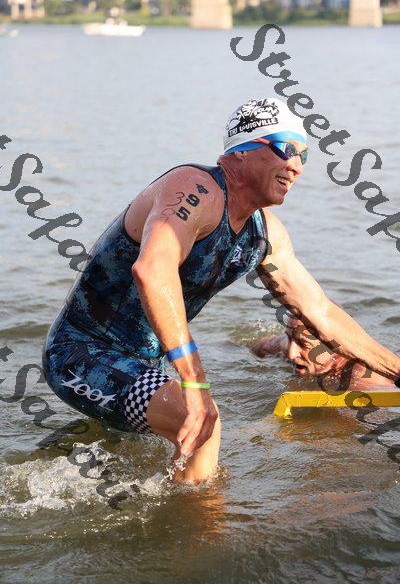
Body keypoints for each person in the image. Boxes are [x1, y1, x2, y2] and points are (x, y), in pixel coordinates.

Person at [42, 97, 400, 484]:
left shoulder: (265, 234)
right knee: (203, 422)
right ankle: (200, 521)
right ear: (242, 150)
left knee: (140, 452)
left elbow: (322, 314)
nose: (297, 166)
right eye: (286, 149)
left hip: (144, 366)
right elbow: (152, 271)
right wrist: (194, 381)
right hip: (81, 352)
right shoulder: (194, 190)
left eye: (304, 155)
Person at [250, 311, 394, 389]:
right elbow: (252, 346)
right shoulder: (285, 345)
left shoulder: (364, 378)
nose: (291, 354)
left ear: (338, 349)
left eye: (304, 344)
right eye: (289, 337)